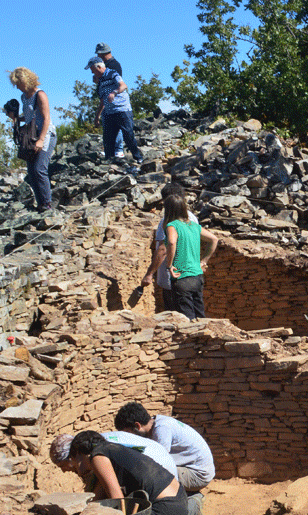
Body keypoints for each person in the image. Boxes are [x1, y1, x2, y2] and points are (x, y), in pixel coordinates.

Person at [65, 431, 200, 515]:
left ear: (78, 454)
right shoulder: (111, 450)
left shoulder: (97, 457)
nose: (74, 468)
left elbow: (117, 500)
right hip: (179, 498)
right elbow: (99, 496)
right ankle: (191, 510)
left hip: (165, 510)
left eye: (73, 461)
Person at [114, 402, 215, 492]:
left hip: (198, 475)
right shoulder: (156, 423)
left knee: (148, 475)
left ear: (138, 426)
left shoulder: (161, 429)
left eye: (128, 433)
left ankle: (183, 503)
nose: (129, 437)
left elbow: (161, 462)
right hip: (193, 468)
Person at [141, 184, 199, 314]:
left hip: (174, 279)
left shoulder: (168, 221)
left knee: (176, 316)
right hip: (192, 275)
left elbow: (163, 249)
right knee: (192, 312)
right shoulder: (192, 218)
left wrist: (149, 274)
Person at [162, 193, 219, 320]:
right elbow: (214, 239)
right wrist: (203, 261)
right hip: (197, 277)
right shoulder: (194, 226)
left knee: (187, 318)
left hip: (182, 277)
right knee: (200, 315)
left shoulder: (172, 226)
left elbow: (171, 242)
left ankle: (191, 340)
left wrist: (169, 265)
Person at [7, 68, 56, 212]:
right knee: (31, 171)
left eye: (18, 83)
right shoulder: (24, 96)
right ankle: (41, 204)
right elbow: (29, 117)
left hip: (45, 136)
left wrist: (41, 140)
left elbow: (46, 118)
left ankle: (47, 203)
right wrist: (16, 118)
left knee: (39, 169)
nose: (16, 87)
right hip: (31, 137)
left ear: (25, 80)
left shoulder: (40, 95)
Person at [88, 56, 144, 168]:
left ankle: (138, 158)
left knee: (128, 135)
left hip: (122, 110)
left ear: (99, 67)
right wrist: (97, 116)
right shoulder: (100, 82)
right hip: (108, 113)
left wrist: (114, 92)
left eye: (93, 70)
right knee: (108, 139)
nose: (92, 72)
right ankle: (109, 162)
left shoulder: (112, 73)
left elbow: (123, 85)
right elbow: (102, 101)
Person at [94, 42, 125, 157]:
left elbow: (115, 82)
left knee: (115, 124)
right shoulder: (108, 64)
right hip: (107, 97)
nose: (98, 56)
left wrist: (98, 79)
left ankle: (118, 149)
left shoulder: (114, 65)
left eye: (99, 54)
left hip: (113, 98)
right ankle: (111, 150)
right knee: (108, 125)